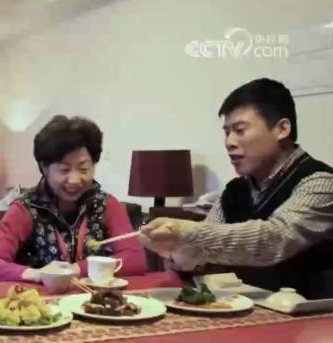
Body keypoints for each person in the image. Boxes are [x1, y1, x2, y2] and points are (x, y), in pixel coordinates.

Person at [140, 78, 333, 298]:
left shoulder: (321, 183)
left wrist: (186, 233)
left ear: (282, 129)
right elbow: (207, 245)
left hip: (310, 315)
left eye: (240, 130)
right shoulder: (235, 190)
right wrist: (179, 255)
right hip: (248, 309)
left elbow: (275, 238)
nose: (229, 142)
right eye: (227, 132)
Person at [0, 115, 146, 282]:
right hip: (42, 297)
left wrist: (76, 269)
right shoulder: (26, 208)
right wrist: (37, 274)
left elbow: (135, 260)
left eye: (84, 169)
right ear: (44, 168)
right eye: (64, 170)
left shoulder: (106, 204)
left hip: (94, 297)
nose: (75, 180)